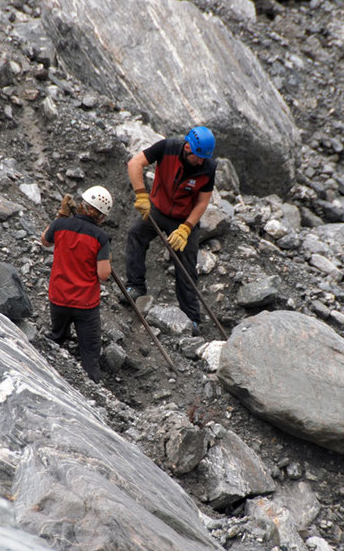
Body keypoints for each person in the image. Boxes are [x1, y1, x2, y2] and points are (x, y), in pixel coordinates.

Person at [124, 126, 217, 337]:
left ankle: (191, 317)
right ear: (187, 147)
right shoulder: (167, 147)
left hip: (184, 219)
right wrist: (141, 195)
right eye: (198, 157)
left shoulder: (208, 167)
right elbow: (135, 163)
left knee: (186, 265)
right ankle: (136, 287)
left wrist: (186, 228)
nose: (201, 161)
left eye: (204, 158)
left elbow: (203, 202)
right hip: (157, 209)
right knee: (136, 233)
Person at [41, 186, 114, 383]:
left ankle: (45, 372)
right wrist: (107, 256)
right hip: (85, 305)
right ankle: (93, 388)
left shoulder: (61, 224)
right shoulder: (100, 237)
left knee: (57, 336)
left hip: (58, 298)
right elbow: (104, 274)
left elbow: (45, 241)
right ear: (100, 215)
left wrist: (59, 216)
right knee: (90, 354)